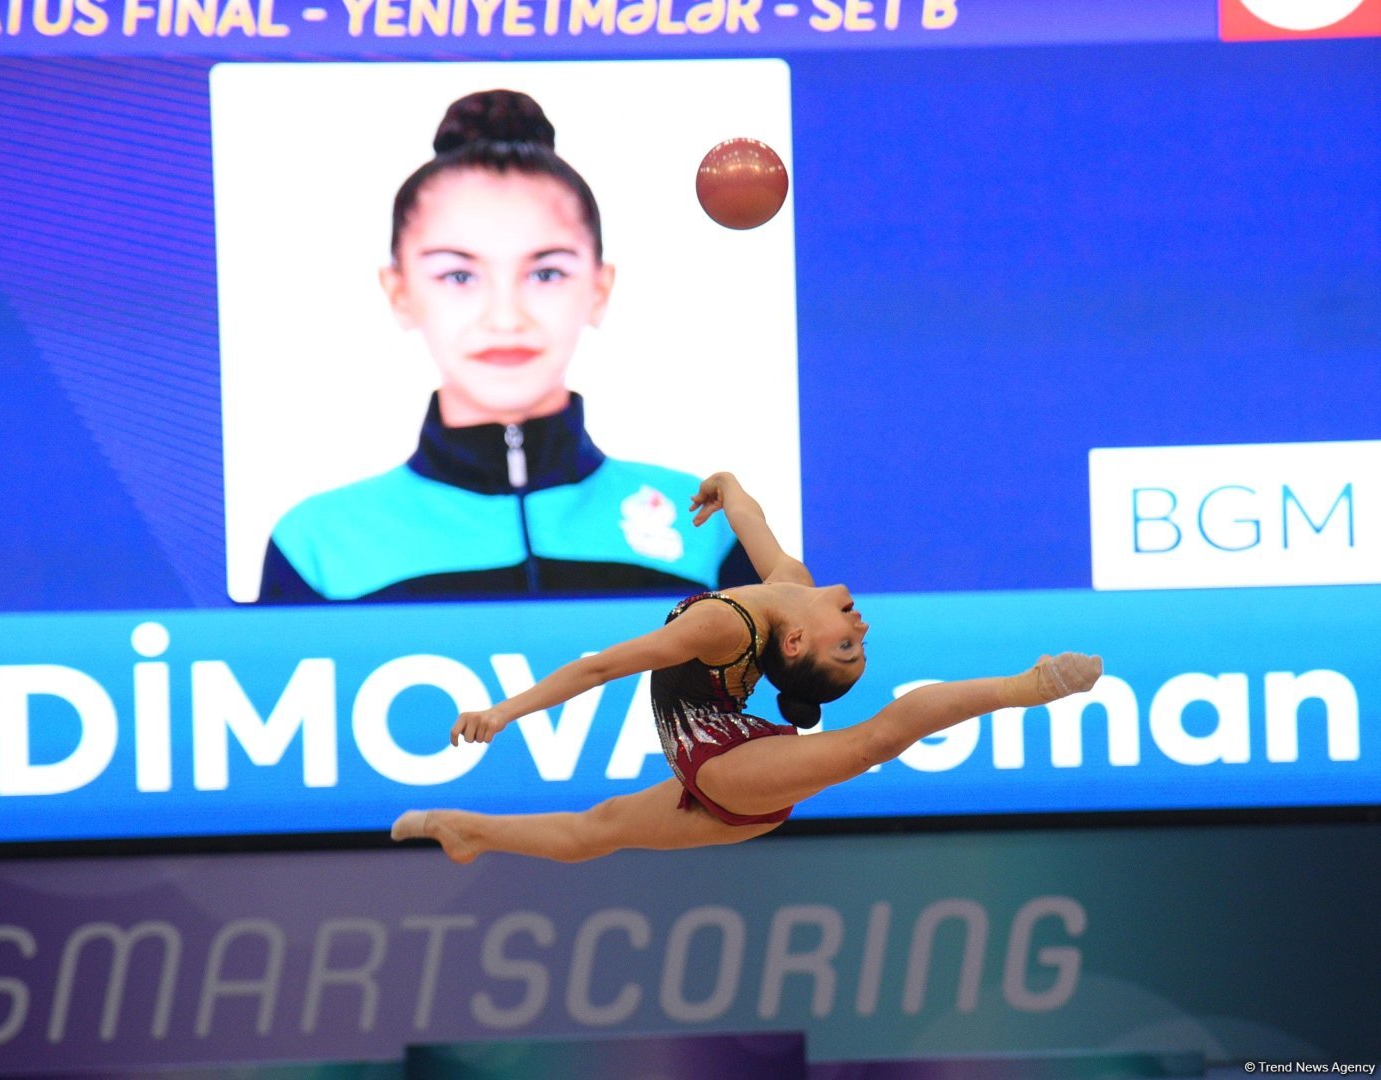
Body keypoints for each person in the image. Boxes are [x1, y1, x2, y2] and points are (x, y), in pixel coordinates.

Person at [391, 471, 1103, 863]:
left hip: (725, 766)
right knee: (595, 830)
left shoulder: (719, 628)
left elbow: (600, 668)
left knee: (872, 742)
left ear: (793, 647)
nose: (861, 626)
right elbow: (754, 523)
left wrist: (503, 711)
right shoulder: (789, 585)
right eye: (856, 642)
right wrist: (727, 488)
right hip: (730, 782)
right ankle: (468, 829)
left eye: (847, 646)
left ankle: (1028, 686)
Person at [257, 89, 756, 604]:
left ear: (599, 290)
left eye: (545, 272)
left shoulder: (705, 528)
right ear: (400, 293)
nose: (504, 317)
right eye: (457, 275)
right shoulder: (318, 545)